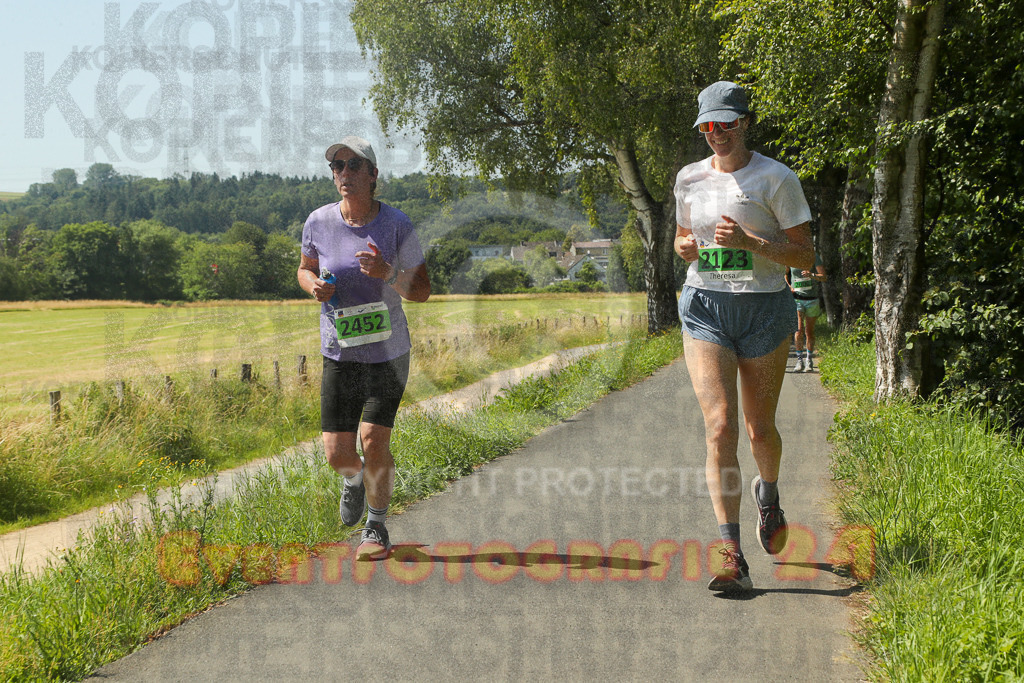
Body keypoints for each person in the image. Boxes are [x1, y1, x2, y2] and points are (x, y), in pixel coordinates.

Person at [673, 81, 815, 592]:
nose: (716, 135)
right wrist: (686, 248)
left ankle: (769, 497)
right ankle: (730, 552)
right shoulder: (688, 179)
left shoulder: (777, 178)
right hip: (705, 306)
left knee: (760, 430)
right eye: (707, 126)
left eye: (725, 125)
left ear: (744, 122)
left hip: (764, 310)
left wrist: (753, 242)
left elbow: (805, 256)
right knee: (720, 428)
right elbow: (680, 238)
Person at [297, 135, 431, 561]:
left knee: (373, 439)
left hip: (388, 354)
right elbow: (304, 269)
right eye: (337, 167)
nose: (344, 174)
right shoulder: (317, 222)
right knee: (338, 454)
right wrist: (313, 286)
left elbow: (423, 290)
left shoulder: (397, 225)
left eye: (354, 166)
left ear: (373, 175)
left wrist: (389, 272)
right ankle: (353, 480)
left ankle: (376, 527)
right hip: (340, 352)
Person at [787, 256, 826, 372]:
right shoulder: (791, 255)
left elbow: (823, 276)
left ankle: (809, 360)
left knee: (809, 332)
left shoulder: (814, 256)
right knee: (798, 330)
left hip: (812, 300)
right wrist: (789, 286)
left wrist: (812, 275)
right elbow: (783, 274)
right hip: (797, 299)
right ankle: (799, 361)